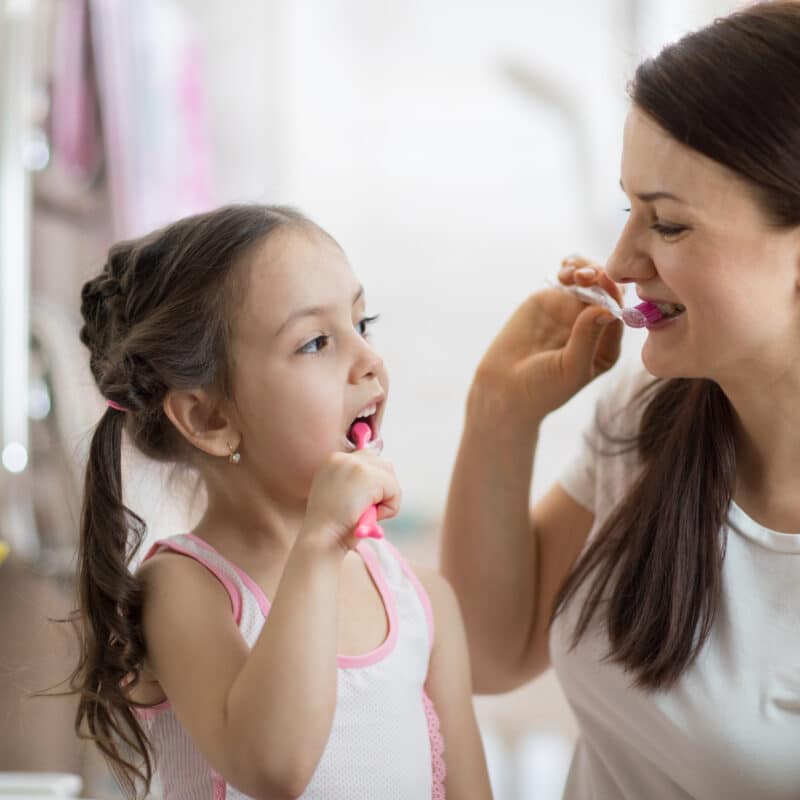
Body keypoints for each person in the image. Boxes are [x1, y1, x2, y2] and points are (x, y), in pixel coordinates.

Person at [441, 2, 800, 798]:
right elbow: (493, 654)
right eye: (628, 208)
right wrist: (501, 414)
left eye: (667, 224)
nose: (620, 260)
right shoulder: (651, 413)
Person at [71, 204, 492, 800]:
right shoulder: (184, 592)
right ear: (208, 415)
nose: (369, 360)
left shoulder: (423, 604)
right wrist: (319, 544)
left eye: (361, 323)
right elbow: (272, 767)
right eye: (317, 342)